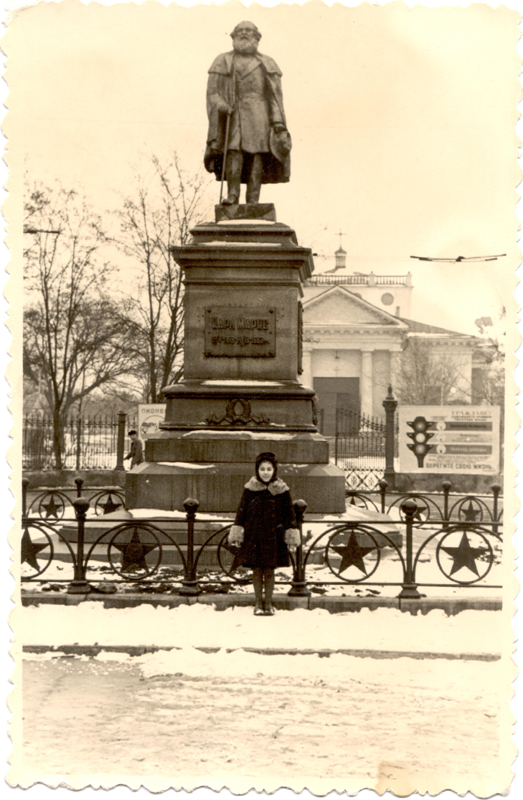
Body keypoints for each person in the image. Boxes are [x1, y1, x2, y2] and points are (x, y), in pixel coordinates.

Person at [204, 21, 292, 206]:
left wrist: (278, 123)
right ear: (233, 37)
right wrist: (221, 105)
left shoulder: (267, 63)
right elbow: (212, 92)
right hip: (234, 113)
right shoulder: (223, 61)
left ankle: (253, 199)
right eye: (240, 31)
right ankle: (233, 196)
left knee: (256, 155)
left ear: (257, 38)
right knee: (234, 152)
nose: (244, 34)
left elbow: (275, 98)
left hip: (259, 114)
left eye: (249, 31)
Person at [228, 452, 300, 615]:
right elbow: (241, 512)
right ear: (257, 470)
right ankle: (258, 604)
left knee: (269, 570)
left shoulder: (282, 490)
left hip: (274, 537)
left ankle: (268, 603)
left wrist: (291, 534)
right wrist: (238, 532)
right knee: (257, 570)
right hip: (255, 536)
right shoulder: (250, 489)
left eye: (269, 469)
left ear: (274, 470)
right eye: (262, 469)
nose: (266, 472)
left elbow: (290, 514)